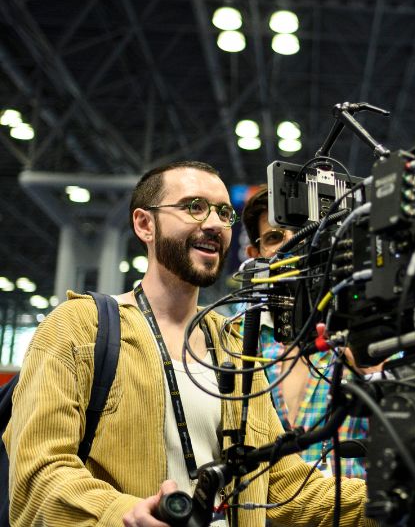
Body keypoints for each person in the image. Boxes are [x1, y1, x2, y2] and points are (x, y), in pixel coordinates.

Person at [3, 161, 373, 527]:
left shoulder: (236, 349)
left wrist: (394, 498)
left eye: (224, 212)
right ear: (145, 224)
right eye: (194, 207)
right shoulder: (79, 327)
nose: (213, 223)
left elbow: (284, 487)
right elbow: (39, 473)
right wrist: (120, 513)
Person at [241, 185, 372, 478]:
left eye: (304, 232)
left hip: (350, 513)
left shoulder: (368, 324)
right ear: (256, 254)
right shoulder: (238, 340)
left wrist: (375, 371)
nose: (295, 245)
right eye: (275, 237)